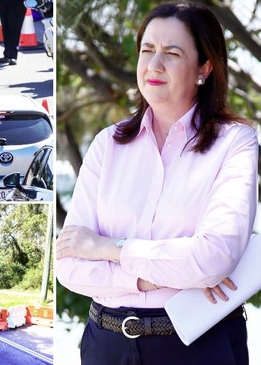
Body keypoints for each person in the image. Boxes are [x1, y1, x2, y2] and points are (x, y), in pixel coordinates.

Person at [56, 2, 257, 364]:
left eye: (172, 53)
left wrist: (108, 248)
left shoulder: (235, 142)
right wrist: (157, 278)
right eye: (147, 50)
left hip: (199, 344)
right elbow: (69, 265)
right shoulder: (107, 145)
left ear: (204, 67)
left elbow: (213, 258)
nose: (154, 64)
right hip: (106, 344)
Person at [0, 0, 26, 65]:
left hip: (18, 3)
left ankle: (13, 55)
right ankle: (7, 53)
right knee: (5, 26)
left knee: (15, 27)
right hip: (3, 2)